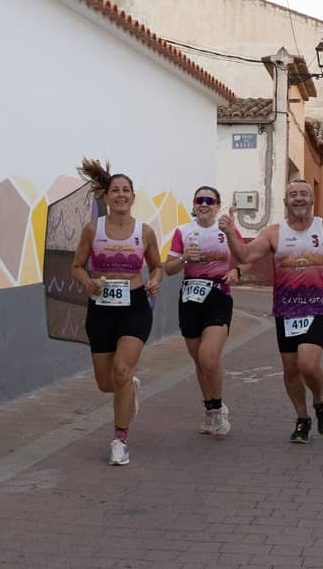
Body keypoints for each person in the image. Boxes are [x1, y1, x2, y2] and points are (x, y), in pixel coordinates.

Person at [220, 177, 323, 443]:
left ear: (312, 200)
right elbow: (246, 256)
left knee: (308, 364)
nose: (299, 198)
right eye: (294, 194)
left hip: (315, 305)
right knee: (290, 369)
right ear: (286, 201)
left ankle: (320, 401)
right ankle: (302, 419)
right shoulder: (273, 233)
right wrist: (230, 233)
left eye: (304, 193)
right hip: (285, 309)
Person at [71, 158, 162, 466]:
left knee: (122, 370)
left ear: (133, 197)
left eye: (126, 190)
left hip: (134, 305)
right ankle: (128, 388)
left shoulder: (144, 232)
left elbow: (157, 266)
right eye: (115, 190)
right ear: (107, 196)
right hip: (101, 307)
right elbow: (76, 266)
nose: (121, 195)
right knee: (106, 383)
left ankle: (120, 441)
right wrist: (88, 282)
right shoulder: (92, 229)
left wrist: (155, 280)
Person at [164, 186, 240, 437]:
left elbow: (245, 257)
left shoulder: (226, 229)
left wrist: (236, 271)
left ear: (217, 205)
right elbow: (169, 269)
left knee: (209, 357)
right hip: (189, 298)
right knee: (199, 360)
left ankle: (217, 408)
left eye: (209, 200)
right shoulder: (183, 231)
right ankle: (210, 409)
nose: (204, 204)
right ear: (194, 204)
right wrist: (184, 258)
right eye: (200, 200)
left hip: (218, 295)